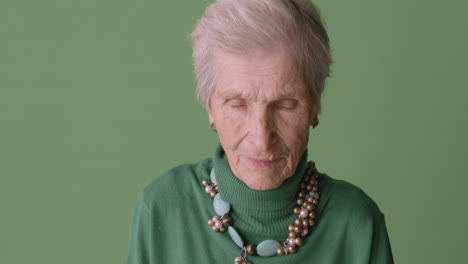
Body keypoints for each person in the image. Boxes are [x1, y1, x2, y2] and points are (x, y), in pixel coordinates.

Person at [126, 0, 394, 263]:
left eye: (286, 105)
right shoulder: (161, 209)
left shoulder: (358, 224)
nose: (262, 138)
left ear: (315, 107)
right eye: (237, 104)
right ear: (210, 108)